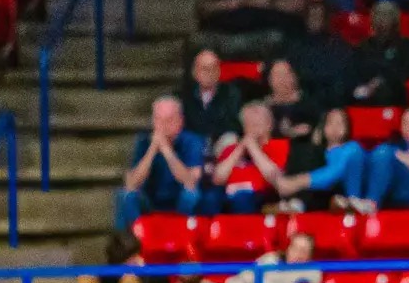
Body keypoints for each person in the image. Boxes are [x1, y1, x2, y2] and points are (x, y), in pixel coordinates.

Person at [117, 95, 205, 228]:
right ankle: (131, 244)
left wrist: (166, 150)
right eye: (158, 120)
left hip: (179, 200)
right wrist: (152, 149)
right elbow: (132, 182)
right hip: (150, 200)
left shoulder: (193, 141)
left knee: (191, 195)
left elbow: (190, 181)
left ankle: (181, 238)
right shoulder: (143, 141)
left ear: (180, 121)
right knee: (126, 195)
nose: (163, 126)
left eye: (169, 120)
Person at [276, 107, 369, 213]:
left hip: (346, 196)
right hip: (317, 198)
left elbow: (333, 173)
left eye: (340, 123)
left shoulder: (352, 148)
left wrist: (296, 182)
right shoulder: (316, 152)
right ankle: (294, 202)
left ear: (348, 127)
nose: (335, 127)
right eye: (331, 122)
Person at [211, 101, 285, 215]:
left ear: (269, 124)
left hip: (260, 195)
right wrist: (241, 148)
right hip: (228, 195)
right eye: (249, 123)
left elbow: (274, 176)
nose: (253, 127)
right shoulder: (231, 149)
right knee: (209, 199)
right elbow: (218, 178)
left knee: (242, 198)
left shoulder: (279, 146)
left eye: (257, 123)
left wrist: (252, 147)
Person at [348, 2, 409, 108]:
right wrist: (367, 85)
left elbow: (407, 73)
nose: (381, 20)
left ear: (395, 20)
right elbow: (356, 70)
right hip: (365, 88)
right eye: (378, 15)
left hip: (395, 91)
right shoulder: (363, 46)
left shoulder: (407, 45)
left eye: (386, 15)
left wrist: (381, 81)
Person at [181, 49, 244, 145]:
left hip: (219, 142)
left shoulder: (231, 93)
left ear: (219, 71)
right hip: (194, 142)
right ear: (195, 72)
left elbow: (233, 124)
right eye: (204, 69)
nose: (209, 73)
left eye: (214, 68)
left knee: (230, 139)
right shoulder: (185, 95)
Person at [264, 59, 320, 142]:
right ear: (269, 79)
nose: (282, 79)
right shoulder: (262, 107)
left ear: (295, 76)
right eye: (277, 74)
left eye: (286, 74)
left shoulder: (311, 104)